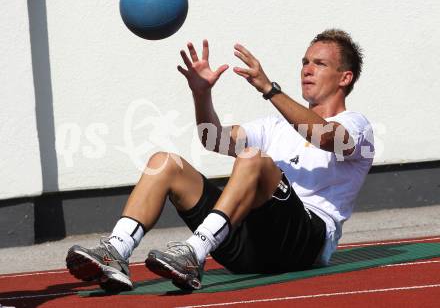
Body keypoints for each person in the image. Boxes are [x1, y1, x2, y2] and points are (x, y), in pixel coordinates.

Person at [66, 29, 374, 292]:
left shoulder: (357, 125)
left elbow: (325, 137)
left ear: (344, 77)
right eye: (305, 62)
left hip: (305, 243)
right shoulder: (275, 126)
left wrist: (269, 89)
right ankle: (116, 252)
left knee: (253, 158)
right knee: (165, 162)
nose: (307, 69)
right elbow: (212, 139)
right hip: (250, 243)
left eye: (319, 64)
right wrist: (201, 94)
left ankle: (194, 251)